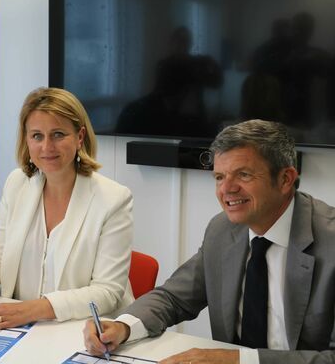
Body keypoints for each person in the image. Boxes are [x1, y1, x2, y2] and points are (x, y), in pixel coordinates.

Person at [84, 119, 335, 363]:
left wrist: (239, 360)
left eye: (243, 175)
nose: (227, 189)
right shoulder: (222, 230)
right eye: (219, 177)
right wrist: (123, 326)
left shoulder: (329, 241)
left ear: (285, 179)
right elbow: (174, 298)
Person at [0, 87, 135, 329]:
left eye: (58, 134)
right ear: (26, 140)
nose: (47, 147)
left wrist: (31, 310)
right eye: (37, 136)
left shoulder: (113, 199)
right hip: (20, 329)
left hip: (85, 332)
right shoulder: (17, 183)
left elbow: (107, 292)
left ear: (79, 137)